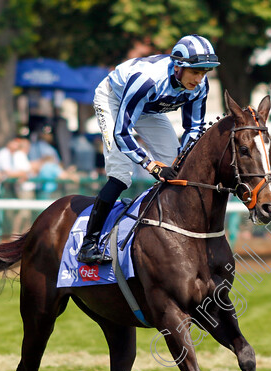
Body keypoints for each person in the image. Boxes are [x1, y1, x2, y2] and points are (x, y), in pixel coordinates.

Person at [77, 34, 219, 264]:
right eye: (195, 71)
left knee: (178, 168)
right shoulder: (147, 81)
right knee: (121, 175)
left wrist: (181, 158)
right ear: (178, 68)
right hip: (114, 99)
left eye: (204, 72)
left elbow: (194, 128)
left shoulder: (200, 86)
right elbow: (121, 132)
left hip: (149, 109)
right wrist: (151, 165)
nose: (200, 78)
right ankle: (88, 244)